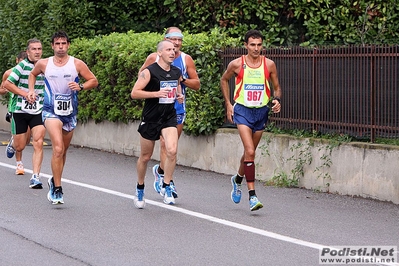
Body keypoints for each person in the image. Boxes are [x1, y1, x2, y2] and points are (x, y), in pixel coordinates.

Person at [27, 31, 98, 204]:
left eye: (63, 44)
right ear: (52, 46)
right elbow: (32, 74)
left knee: (63, 151)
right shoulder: (44, 63)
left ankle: (54, 179)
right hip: (51, 110)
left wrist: (80, 86)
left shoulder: (77, 64)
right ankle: (58, 189)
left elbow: (93, 81)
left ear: (68, 45)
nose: (60, 47)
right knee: (57, 148)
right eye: (57, 44)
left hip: (69, 112)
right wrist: (30, 90)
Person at [220, 30, 282, 211]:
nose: (256, 48)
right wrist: (228, 104)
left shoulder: (269, 65)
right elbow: (224, 80)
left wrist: (277, 100)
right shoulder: (237, 64)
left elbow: (277, 88)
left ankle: (237, 179)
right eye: (252, 45)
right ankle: (253, 196)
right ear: (246, 45)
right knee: (249, 150)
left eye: (259, 45)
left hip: (261, 112)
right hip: (242, 111)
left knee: (250, 153)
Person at [139, 27, 200, 198]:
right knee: (165, 146)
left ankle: (160, 172)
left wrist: (181, 80)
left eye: (180, 40)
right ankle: (168, 183)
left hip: (176, 108)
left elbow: (196, 84)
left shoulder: (186, 60)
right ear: (165, 40)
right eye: (173, 40)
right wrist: (155, 87)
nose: (177, 43)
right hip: (156, 109)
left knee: (171, 148)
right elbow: (141, 77)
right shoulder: (154, 57)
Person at [131, 40, 184, 208]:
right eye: (168, 49)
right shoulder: (149, 72)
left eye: (174, 50)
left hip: (169, 116)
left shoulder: (176, 71)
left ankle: (167, 186)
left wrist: (179, 96)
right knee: (145, 157)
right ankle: (140, 187)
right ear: (159, 53)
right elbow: (135, 93)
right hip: (151, 117)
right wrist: (156, 94)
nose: (172, 52)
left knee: (172, 150)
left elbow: (177, 88)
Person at [4, 40, 46, 188]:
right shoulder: (21, 66)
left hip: (38, 110)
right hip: (20, 110)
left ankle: (35, 177)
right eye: (34, 49)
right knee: (21, 145)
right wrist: (24, 93)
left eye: (39, 49)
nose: (37, 51)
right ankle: (14, 142)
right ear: (28, 52)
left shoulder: (45, 65)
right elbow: (7, 84)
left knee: (38, 141)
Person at [0, 51, 31, 175]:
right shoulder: (9, 73)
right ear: (17, 61)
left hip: (31, 108)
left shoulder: (33, 71)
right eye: (21, 61)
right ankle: (19, 164)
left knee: (26, 140)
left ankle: (13, 143)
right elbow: (2, 90)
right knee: (21, 137)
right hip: (15, 108)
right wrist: (7, 89)